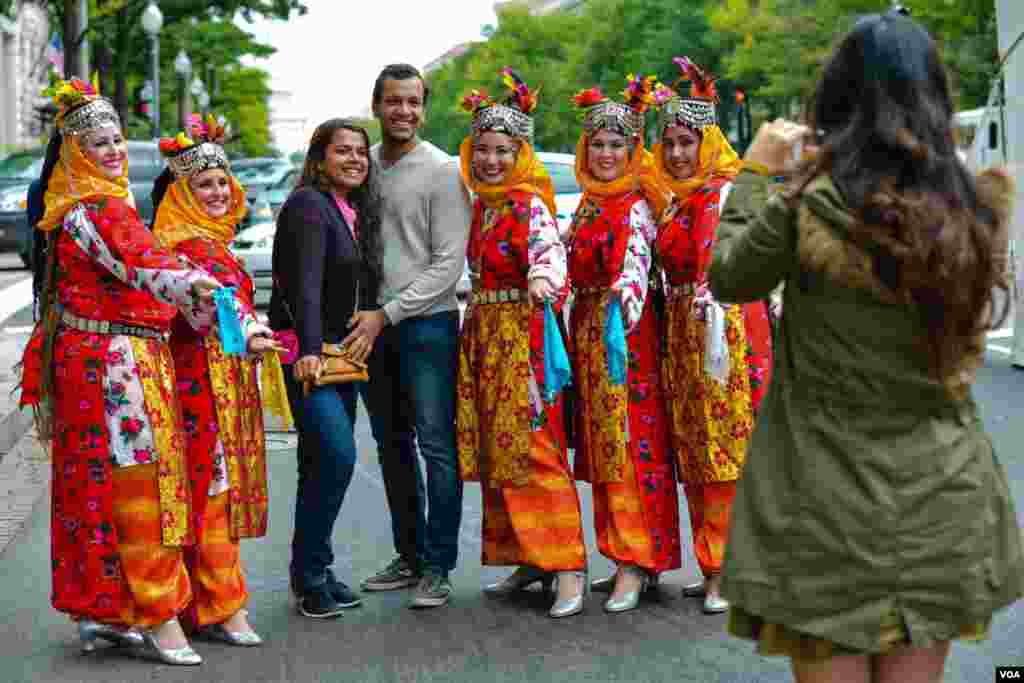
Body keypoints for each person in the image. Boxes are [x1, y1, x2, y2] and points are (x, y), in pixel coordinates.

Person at [708, 13, 1024, 683]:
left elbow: (729, 277)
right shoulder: (971, 208)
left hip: (823, 503)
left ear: (837, 97)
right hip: (943, 494)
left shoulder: (804, 205)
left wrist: (754, 173)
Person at [17, 78, 221, 666]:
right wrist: (191, 285)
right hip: (114, 370)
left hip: (112, 363)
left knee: (98, 485)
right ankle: (156, 614)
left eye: (117, 141)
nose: (113, 151)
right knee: (141, 483)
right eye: (99, 143)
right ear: (77, 152)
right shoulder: (95, 211)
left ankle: (104, 611)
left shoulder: (87, 210)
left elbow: (148, 262)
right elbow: (144, 264)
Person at [454, 70, 588, 618]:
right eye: (482, 150)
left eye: (502, 151)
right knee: (500, 451)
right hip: (484, 337)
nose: (490, 161)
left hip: (523, 337)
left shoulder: (530, 203)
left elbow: (549, 251)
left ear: (521, 153)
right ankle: (531, 557)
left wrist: (541, 279)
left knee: (535, 448)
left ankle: (570, 567)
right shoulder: (482, 205)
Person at [151, 113, 284, 646]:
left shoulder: (214, 242)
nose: (217, 192)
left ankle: (201, 602)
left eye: (221, 181)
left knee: (209, 491)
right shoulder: (187, 248)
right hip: (197, 381)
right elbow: (222, 306)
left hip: (223, 378)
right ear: (181, 192)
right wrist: (250, 331)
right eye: (203, 183)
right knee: (209, 490)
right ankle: (221, 605)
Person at [347, 63, 471, 609]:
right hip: (372, 327)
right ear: (376, 105)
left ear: (423, 107)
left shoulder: (444, 171)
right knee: (390, 445)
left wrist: (389, 312)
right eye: (394, 101)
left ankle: (439, 565)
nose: (404, 111)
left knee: (436, 446)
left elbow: (449, 265)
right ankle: (410, 554)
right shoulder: (361, 166)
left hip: (427, 326)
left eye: (414, 102)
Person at [651, 58, 766, 615]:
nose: (675, 153)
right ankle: (712, 561)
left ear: (708, 142)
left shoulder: (724, 193)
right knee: (694, 448)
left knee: (723, 446)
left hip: (723, 331)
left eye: (686, 142)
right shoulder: (679, 198)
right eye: (668, 143)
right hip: (681, 330)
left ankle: (730, 570)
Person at [567, 76, 681, 614]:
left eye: (617, 144)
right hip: (589, 331)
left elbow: (635, 270)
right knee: (603, 448)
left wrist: (621, 305)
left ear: (633, 150)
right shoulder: (589, 203)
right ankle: (622, 556)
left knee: (632, 446)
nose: (607, 153)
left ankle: (638, 561)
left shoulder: (635, 205)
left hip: (625, 337)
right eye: (598, 144)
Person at [268, 117, 380, 618]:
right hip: (309, 353)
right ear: (319, 159)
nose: (355, 159)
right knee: (335, 456)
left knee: (320, 462)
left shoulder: (345, 208)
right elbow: (304, 284)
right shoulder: (309, 206)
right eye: (343, 151)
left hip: (339, 355)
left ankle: (312, 570)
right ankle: (311, 572)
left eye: (361, 151)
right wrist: (311, 347)